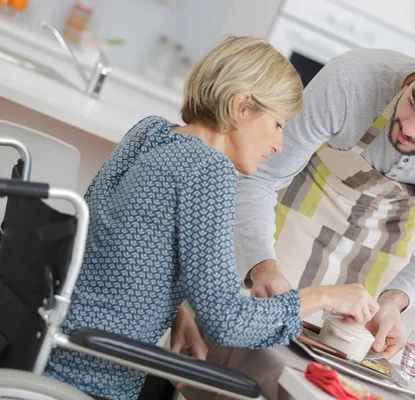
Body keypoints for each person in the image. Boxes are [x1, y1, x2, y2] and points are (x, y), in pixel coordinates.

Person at [43, 36, 379, 400]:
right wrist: (324, 297)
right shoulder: (208, 169)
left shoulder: (150, 132)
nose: (280, 146)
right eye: (279, 124)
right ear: (242, 107)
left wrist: (178, 312)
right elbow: (228, 321)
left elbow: (107, 251)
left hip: (47, 348)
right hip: (91, 380)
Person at [233, 34, 415, 360]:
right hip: (301, 210)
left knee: (333, 370)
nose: (410, 128)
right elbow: (261, 180)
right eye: (412, 101)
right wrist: (264, 266)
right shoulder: (350, 80)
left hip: (386, 238)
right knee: (254, 350)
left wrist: (394, 301)